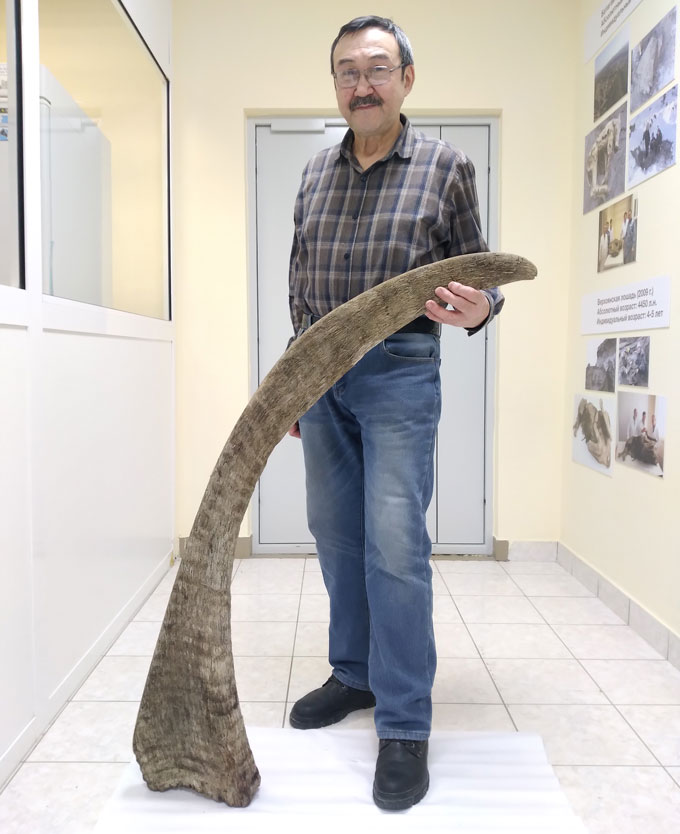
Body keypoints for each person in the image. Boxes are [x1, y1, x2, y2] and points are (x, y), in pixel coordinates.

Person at [286, 15, 504, 811]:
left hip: (401, 375)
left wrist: (482, 308)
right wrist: (294, 386)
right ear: (336, 86)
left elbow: (483, 275)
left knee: (396, 548)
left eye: (376, 67)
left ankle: (406, 721)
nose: (361, 83)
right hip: (322, 380)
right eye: (346, 70)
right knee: (336, 537)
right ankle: (354, 676)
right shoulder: (313, 175)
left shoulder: (446, 166)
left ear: (407, 78)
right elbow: (301, 287)